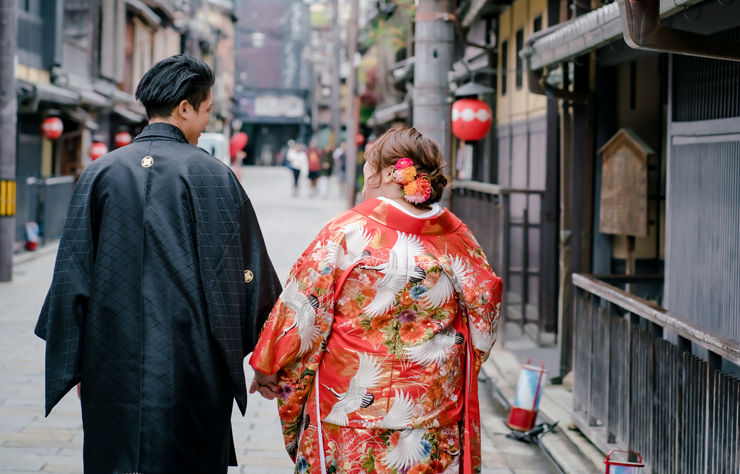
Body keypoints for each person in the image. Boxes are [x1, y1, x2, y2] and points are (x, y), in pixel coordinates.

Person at [35, 54, 282, 473]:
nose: (205, 124)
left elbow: (72, 274)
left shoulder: (100, 173)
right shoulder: (215, 176)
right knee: (189, 456)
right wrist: (267, 359)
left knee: (116, 458)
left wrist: (77, 364)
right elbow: (248, 274)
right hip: (194, 362)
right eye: (205, 111)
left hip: (111, 362)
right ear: (185, 108)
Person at [248, 127, 502, 474]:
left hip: (350, 413)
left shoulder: (349, 230)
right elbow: (484, 325)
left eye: (369, 162)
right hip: (431, 412)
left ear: (385, 173)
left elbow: (304, 308)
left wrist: (268, 366)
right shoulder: (458, 238)